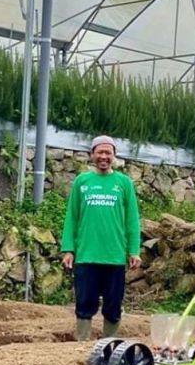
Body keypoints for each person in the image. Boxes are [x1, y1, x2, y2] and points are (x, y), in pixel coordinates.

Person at [61, 135, 142, 341]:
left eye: (108, 153)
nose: (104, 156)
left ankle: (109, 345)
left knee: (113, 304)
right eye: (100, 152)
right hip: (87, 255)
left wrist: (134, 250)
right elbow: (72, 217)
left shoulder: (124, 183)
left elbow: (132, 220)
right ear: (92, 155)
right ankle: (82, 342)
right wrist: (68, 249)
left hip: (114, 256)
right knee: (84, 302)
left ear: (114, 156)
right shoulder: (82, 182)